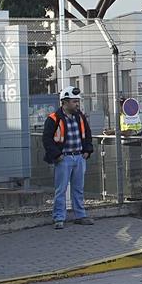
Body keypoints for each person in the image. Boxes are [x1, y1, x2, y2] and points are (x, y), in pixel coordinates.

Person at [41, 90, 95, 229]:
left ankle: (80, 215)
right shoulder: (53, 118)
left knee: (78, 189)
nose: (77, 104)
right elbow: (46, 139)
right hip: (63, 159)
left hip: (79, 157)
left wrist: (87, 151)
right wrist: (57, 155)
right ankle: (59, 218)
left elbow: (88, 135)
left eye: (78, 101)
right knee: (61, 189)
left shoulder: (80, 117)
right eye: (74, 101)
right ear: (64, 102)